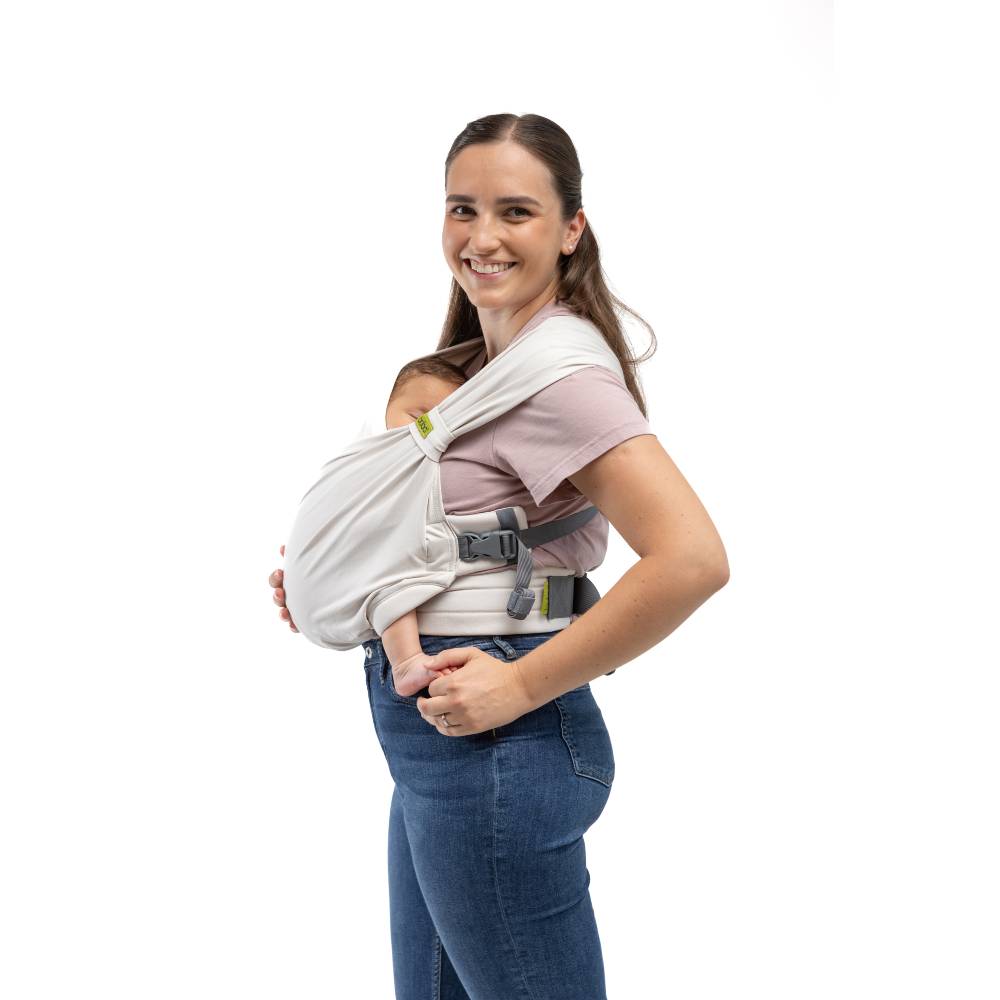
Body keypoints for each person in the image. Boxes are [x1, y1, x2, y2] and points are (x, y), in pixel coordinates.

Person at [269, 113, 729, 999]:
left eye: (515, 211)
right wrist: (336, 578)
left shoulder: (558, 381)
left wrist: (518, 687)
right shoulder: (479, 373)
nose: (482, 238)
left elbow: (692, 559)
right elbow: (433, 538)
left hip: (496, 740)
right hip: (445, 738)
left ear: (571, 228)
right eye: (463, 209)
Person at [379, 355, 468, 696]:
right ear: (388, 411)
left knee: (399, 581)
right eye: (419, 420)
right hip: (382, 561)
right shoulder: (375, 456)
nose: (427, 434)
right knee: (391, 583)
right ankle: (404, 663)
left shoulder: (443, 466)